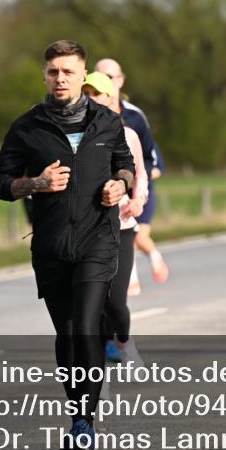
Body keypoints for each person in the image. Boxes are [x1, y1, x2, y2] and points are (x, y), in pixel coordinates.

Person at [0, 40, 134, 450]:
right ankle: (77, 412)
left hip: (97, 240)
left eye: (68, 72)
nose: (60, 79)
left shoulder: (107, 122)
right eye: (53, 71)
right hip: (52, 246)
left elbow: (126, 165)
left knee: (87, 328)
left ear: (82, 75)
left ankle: (84, 423)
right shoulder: (27, 127)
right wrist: (35, 184)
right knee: (68, 335)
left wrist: (120, 185)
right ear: (44, 75)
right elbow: (1, 182)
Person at [81, 71, 147, 368]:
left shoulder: (128, 135)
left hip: (121, 225)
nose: (91, 99)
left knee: (116, 302)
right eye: (86, 94)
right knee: (91, 302)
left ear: (110, 98)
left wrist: (138, 200)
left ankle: (124, 340)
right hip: (87, 228)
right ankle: (95, 367)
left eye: (96, 94)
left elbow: (140, 173)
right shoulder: (75, 135)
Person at [95, 58, 167, 293]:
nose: (104, 81)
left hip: (135, 189)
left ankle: (133, 276)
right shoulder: (82, 115)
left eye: (110, 77)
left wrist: (136, 187)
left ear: (121, 80)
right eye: (99, 76)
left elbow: (151, 158)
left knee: (135, 236)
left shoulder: (135, 117)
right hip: (104, 194)